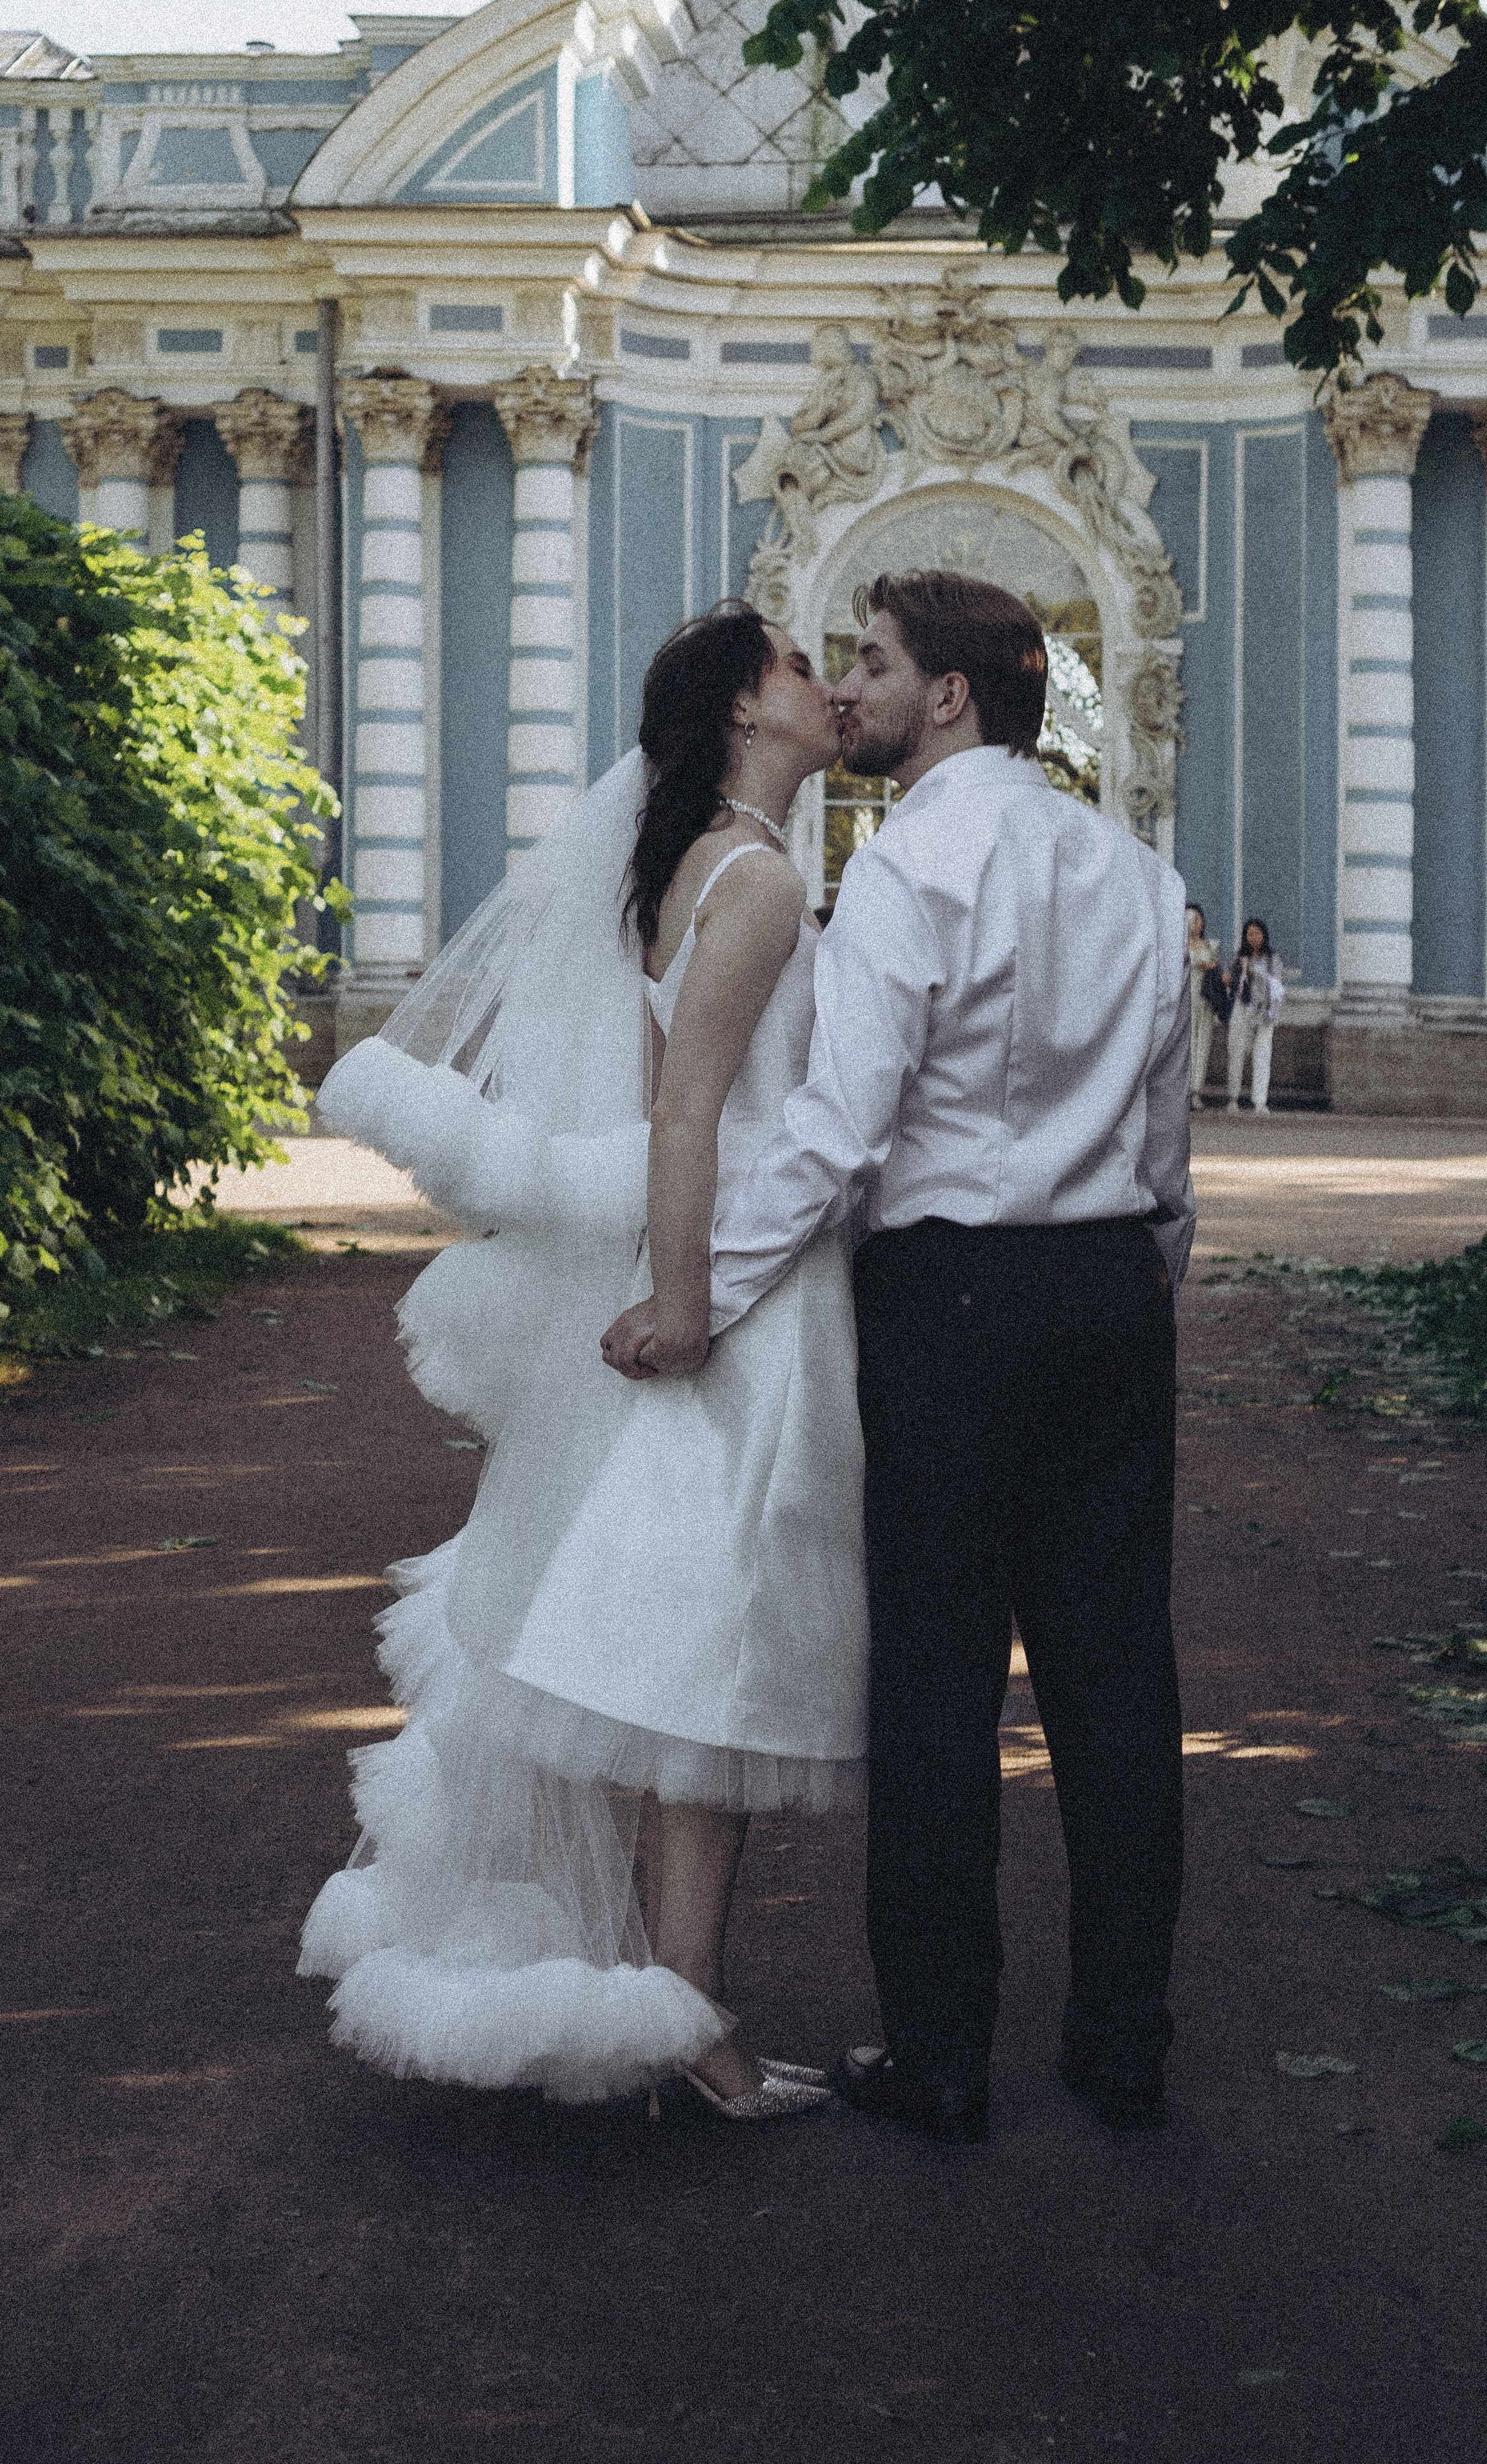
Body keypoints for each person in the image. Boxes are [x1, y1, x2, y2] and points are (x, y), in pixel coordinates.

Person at [606, 569, 1195, 2141]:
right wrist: (1136, 1286)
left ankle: (938, 2059)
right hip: (1104, 1291)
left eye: (870, 664)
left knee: (934, 1687)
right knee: (1118, 1677)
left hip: (944, 1303)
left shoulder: (900, 877)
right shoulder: (1139, 873)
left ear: (949, 696)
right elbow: (1165, 1141)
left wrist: (698, 1298)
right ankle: (1119, 2039)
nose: (849, 689)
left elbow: (832, 1139)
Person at [297, 603, 866, 2119]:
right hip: (731, 1302)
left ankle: (682, 2008)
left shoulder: (695, 867)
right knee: (712, 1662)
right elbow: (687, 1115)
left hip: (715, 1277)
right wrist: (686, 1303)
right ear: (746, 710)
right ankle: (691, 2022)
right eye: (801, 668)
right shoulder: (751, 883)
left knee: (681, 1669)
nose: (825, 689)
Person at [1223, 916, 1284, 1113]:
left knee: (1263, 1053)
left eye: (1257, 933)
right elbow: (1227, 979)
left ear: (1264, 935)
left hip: (1264, 1010)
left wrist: (1253, 973)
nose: (1253, 938)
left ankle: (1260, 1101)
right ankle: (1233, 1097)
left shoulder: (1272, 959)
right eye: (1250, 934)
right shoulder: (1238, 957)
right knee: (1236, 1050)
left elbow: (1276, 985)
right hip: (1242, 1007)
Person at [1185, 903, 1221, 1108]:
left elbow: (1215, 970)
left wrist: (1212, 966)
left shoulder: (1210, 946)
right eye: (1190, 919)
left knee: (1203, 1044)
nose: (1194, 923)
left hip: (1204, 999)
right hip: (1185, 1000)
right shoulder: (1179, 945)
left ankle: (1196, 1090)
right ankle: (1183, 1090)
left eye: (1197, 919)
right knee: (1187, 1045)